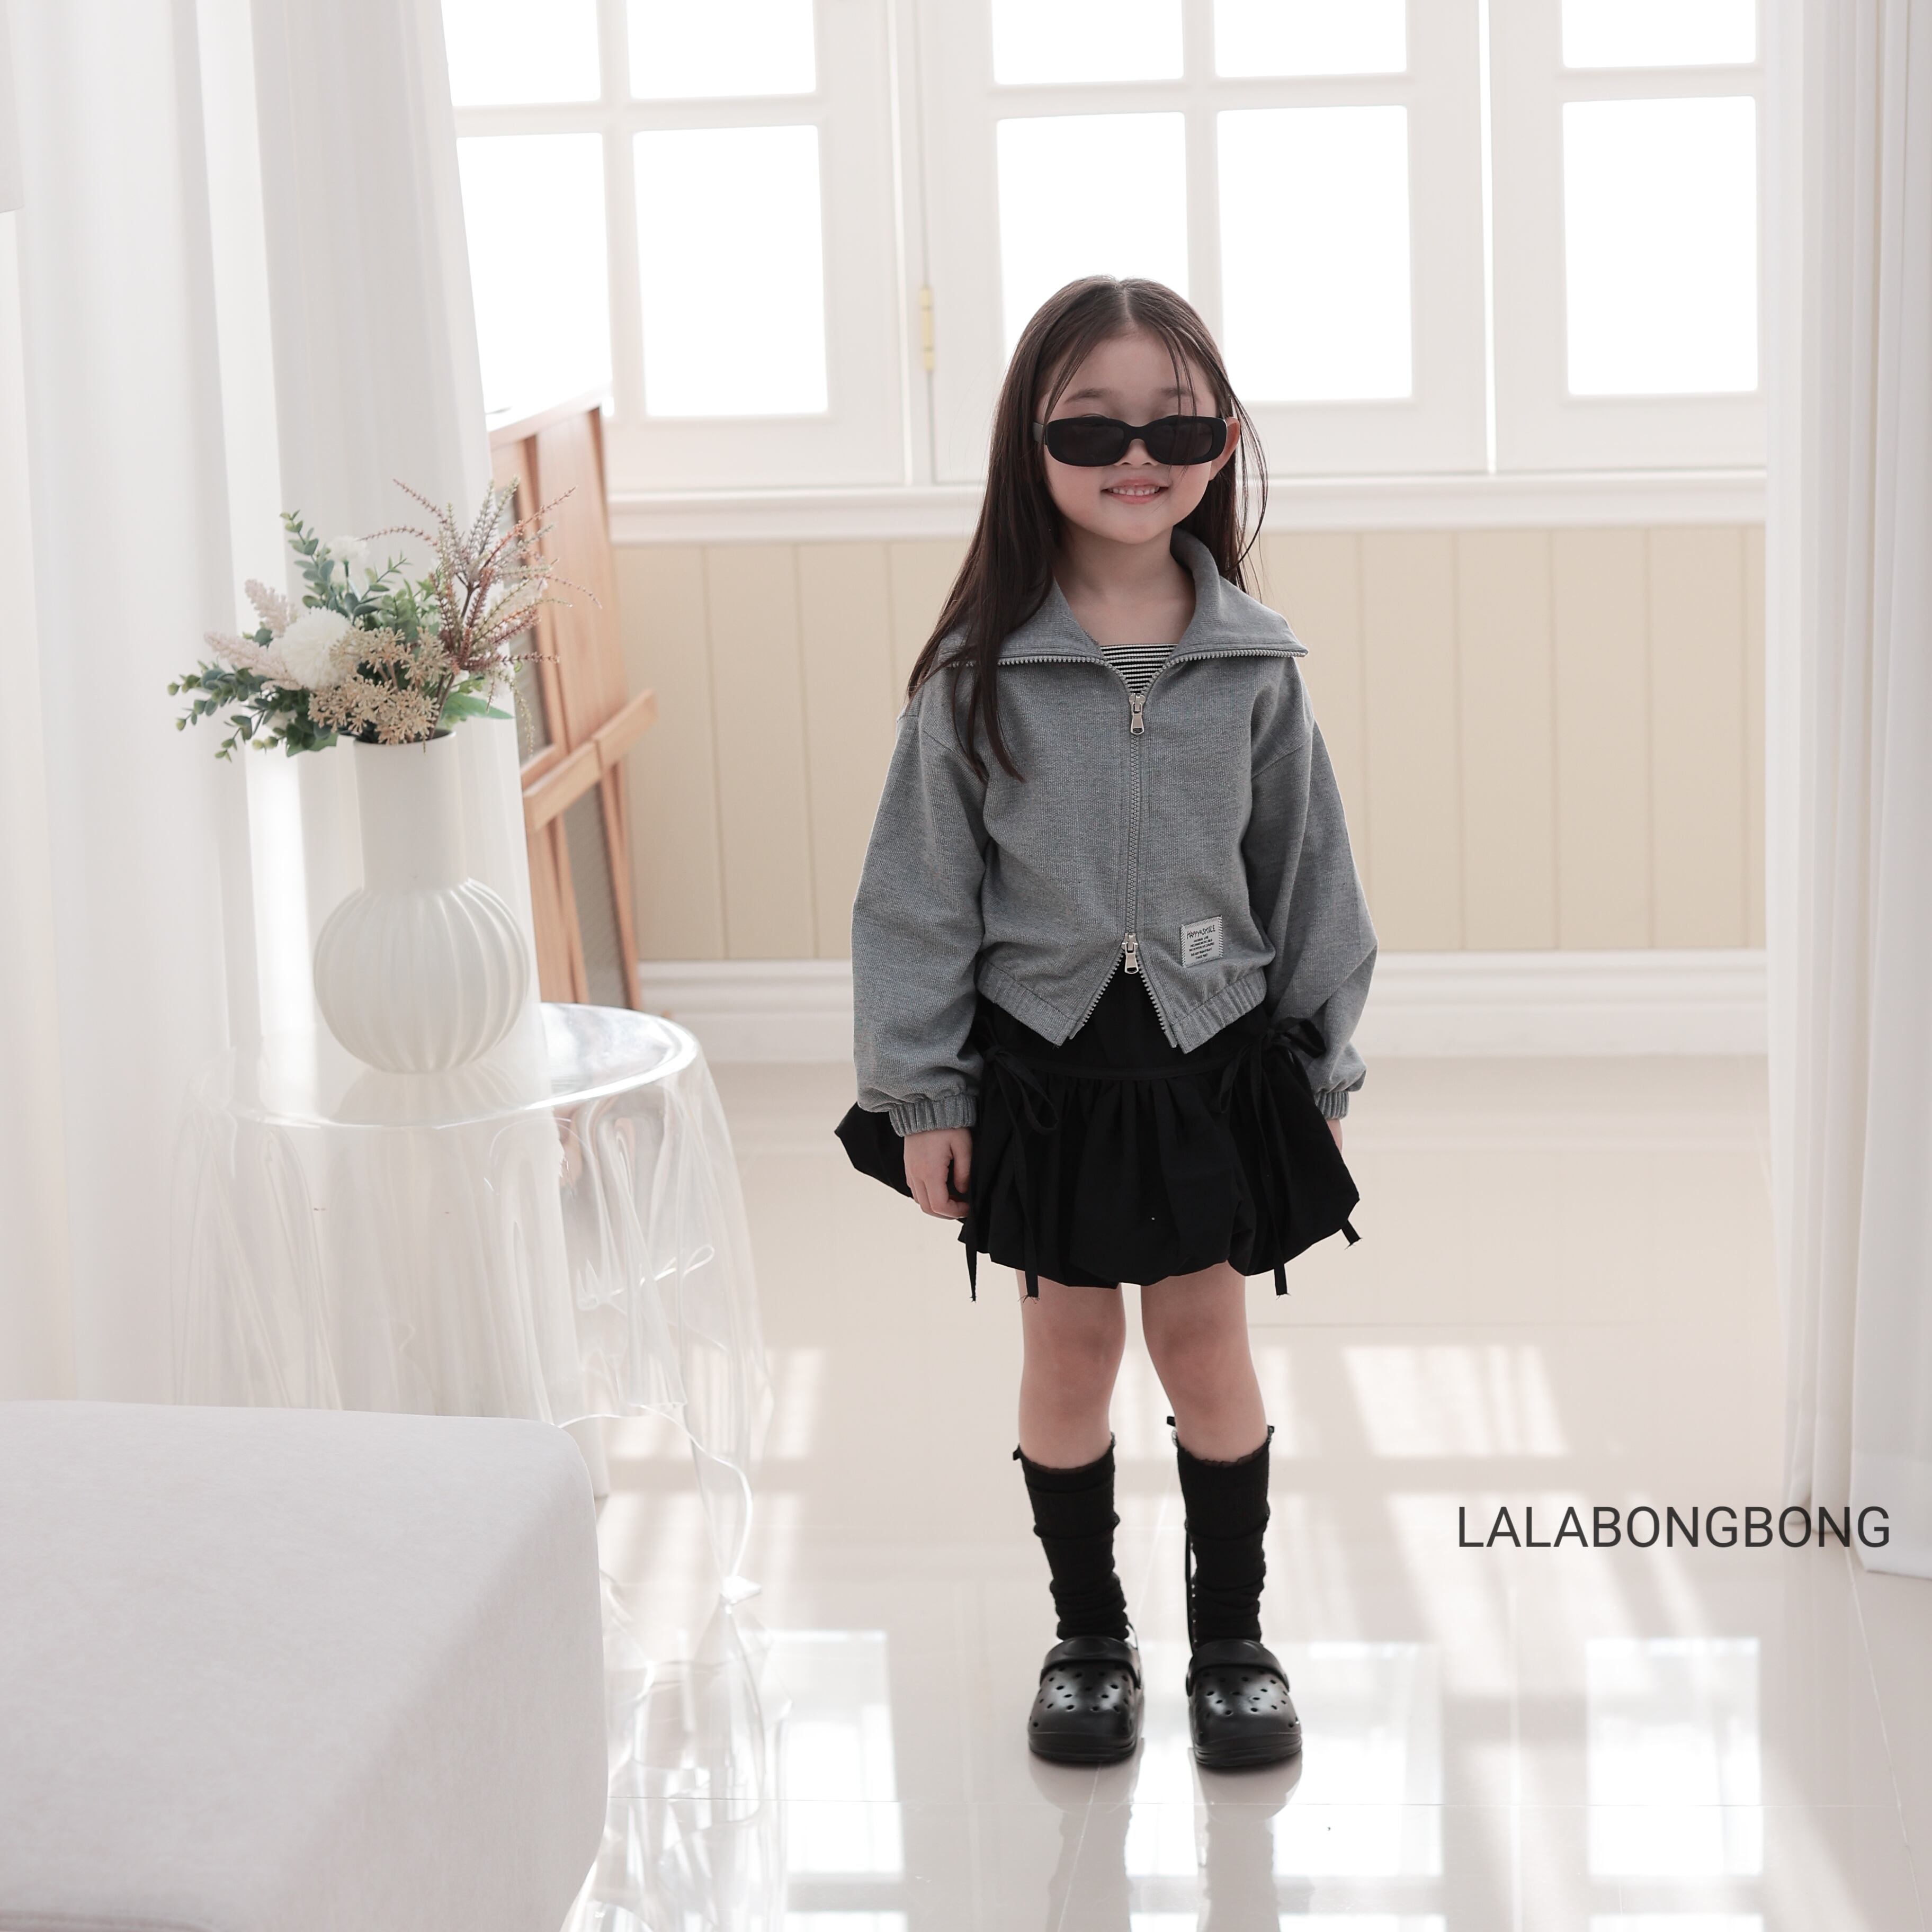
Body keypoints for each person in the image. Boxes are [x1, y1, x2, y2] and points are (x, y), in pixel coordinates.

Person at [836, 275, 1374, 1770]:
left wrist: (1324, 1067)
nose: (1137, 457)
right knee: (1069, 1353)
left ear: (1222, 444)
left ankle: (1233, 1641)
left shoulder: (1255, 666)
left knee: (1205, 1346)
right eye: (1092, 428)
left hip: (1210, 1059)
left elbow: (1310, 876)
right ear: (1031, 442)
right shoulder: (975, 675)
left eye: (1176, 426)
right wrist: (924, 1096)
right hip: (1047, 1069)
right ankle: (1088, 1636)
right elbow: (915, 900)